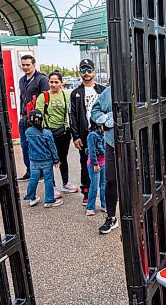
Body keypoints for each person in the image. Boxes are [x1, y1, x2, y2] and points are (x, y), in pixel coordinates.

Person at [35, 71, 78, 198]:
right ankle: (52, 187)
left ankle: (65, 183)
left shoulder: (66, 95)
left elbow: (70, 113)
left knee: (62, 158)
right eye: (51, 82)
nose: (53, 85)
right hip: (49, 133)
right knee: (49, 160)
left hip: (64, 132)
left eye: (56, 82)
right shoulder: (43, 97)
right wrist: (42, 131)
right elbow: (39, 115)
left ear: (61, 83)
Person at [69, 59, 106, 205]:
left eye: (89, 70)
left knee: (104, 162)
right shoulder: (75, 93)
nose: (86, 73)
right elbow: (72, 116)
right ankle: (86, 192)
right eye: (83, 70)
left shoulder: (102, 90)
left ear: (94, 71)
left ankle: (105, 193)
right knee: (86, 163)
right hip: (84, 135)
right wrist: (76, 136)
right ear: (79, 72)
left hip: (101, 134)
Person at [91, 87, 119, 234]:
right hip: (112, 143)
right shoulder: (108, 92)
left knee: (137, 182)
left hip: (136, 144)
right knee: (110, 180)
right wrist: (101, 119)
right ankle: (111, 217)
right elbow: (95, 110)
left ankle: (139, 216)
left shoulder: (141, 87)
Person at [23, 109, 63, 208]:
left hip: (34, 160)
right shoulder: (47, 133)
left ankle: (31, 198)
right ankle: (49, 201)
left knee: (34, 178)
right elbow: (52, 147)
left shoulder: (28, 132)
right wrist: (56, 160)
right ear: (42, 119)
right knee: (48, 180)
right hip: (46, 160)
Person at [18, 54, 49, 181]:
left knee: (37, 146)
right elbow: (22, 98)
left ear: (34, 64)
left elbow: (47, 99)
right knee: (24, 145)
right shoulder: (22, 80)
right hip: (24, 119)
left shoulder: (41, 79)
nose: (25, 67)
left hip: (36, 120)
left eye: (28, 65)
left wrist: (42, 119)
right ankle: (29, 171)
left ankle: (40, 173)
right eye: (23, 65)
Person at [85, 127, 106, 216]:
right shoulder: (92, 135)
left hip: (103, 162)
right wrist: (95, 163)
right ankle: (90, 207)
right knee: (94, 185)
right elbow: (91, 150)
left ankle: (104, 205)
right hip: (95, 164)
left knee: (104, 184)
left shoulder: (104, 134)